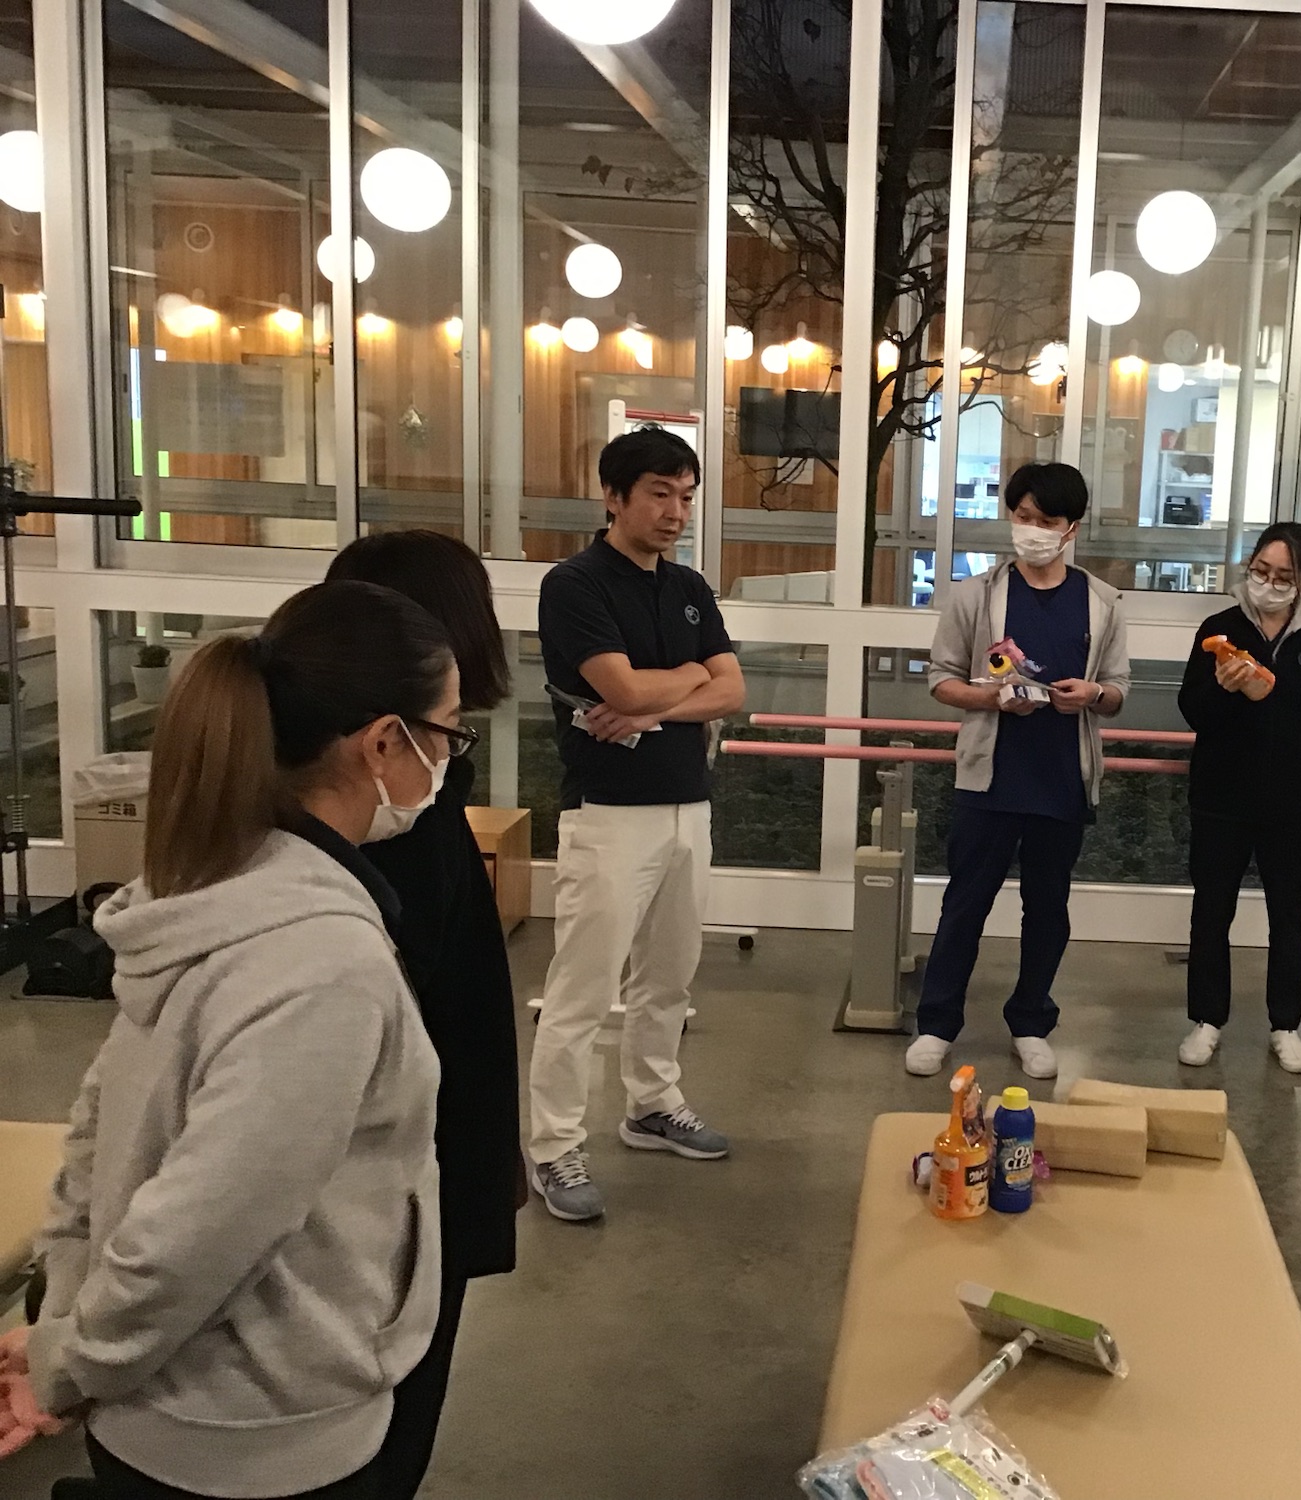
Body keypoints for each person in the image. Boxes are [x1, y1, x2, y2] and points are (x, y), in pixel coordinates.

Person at [0, 581, 453, 1498]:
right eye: (447, 735)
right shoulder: (321, 963)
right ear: (382, 743)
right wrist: (70, 1361)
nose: (447, 761)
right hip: (253, 1436)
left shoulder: (205, 888)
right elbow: (202, 1228)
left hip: (167, 1412)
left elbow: (100, 1134)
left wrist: (71, 1330)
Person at [326, 531, 521, 1499]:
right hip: (401, 1194)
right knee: (383, 1434)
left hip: (440, 1167)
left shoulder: (423, 808)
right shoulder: (382, 841)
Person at [528, 427, 744, 1223]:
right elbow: (617, 686)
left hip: (689, 806)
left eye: (686, 495)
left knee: (670, 978)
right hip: (608, 815)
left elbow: (731, 690)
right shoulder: (575, 584)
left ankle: (652, 1104)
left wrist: (662, 701)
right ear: (614, 497)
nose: (675, 511)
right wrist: (689, 675)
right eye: (659, 493)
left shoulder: (688, 586)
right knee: (582, 991)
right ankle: (553, 1145)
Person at [905, 461, 1130, 1080]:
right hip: (991, 776)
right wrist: (992, 699)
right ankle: (937, 1024)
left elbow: (1117, 688)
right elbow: (941, 679)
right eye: (1023, 517)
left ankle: (1031, 1023)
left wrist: (1093, 695)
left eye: (1046, 521)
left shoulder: (1101, 602)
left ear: (1071, 528)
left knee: (1048, 908)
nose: (1031, 530)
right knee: (965, 904)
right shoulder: (976, 595)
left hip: (1062, 778)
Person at [1177, 522, 1301, 1074]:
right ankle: (1206, 1020)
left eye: (1284, 576)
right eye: (1261, 571)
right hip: (1221, 798)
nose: (1269, 584)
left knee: (1290, 918)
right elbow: (1193, 710)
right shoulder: (1219, 630)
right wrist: (1225, 690)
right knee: (1212, 912)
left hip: (1293, 804)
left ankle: (1286, 1025)